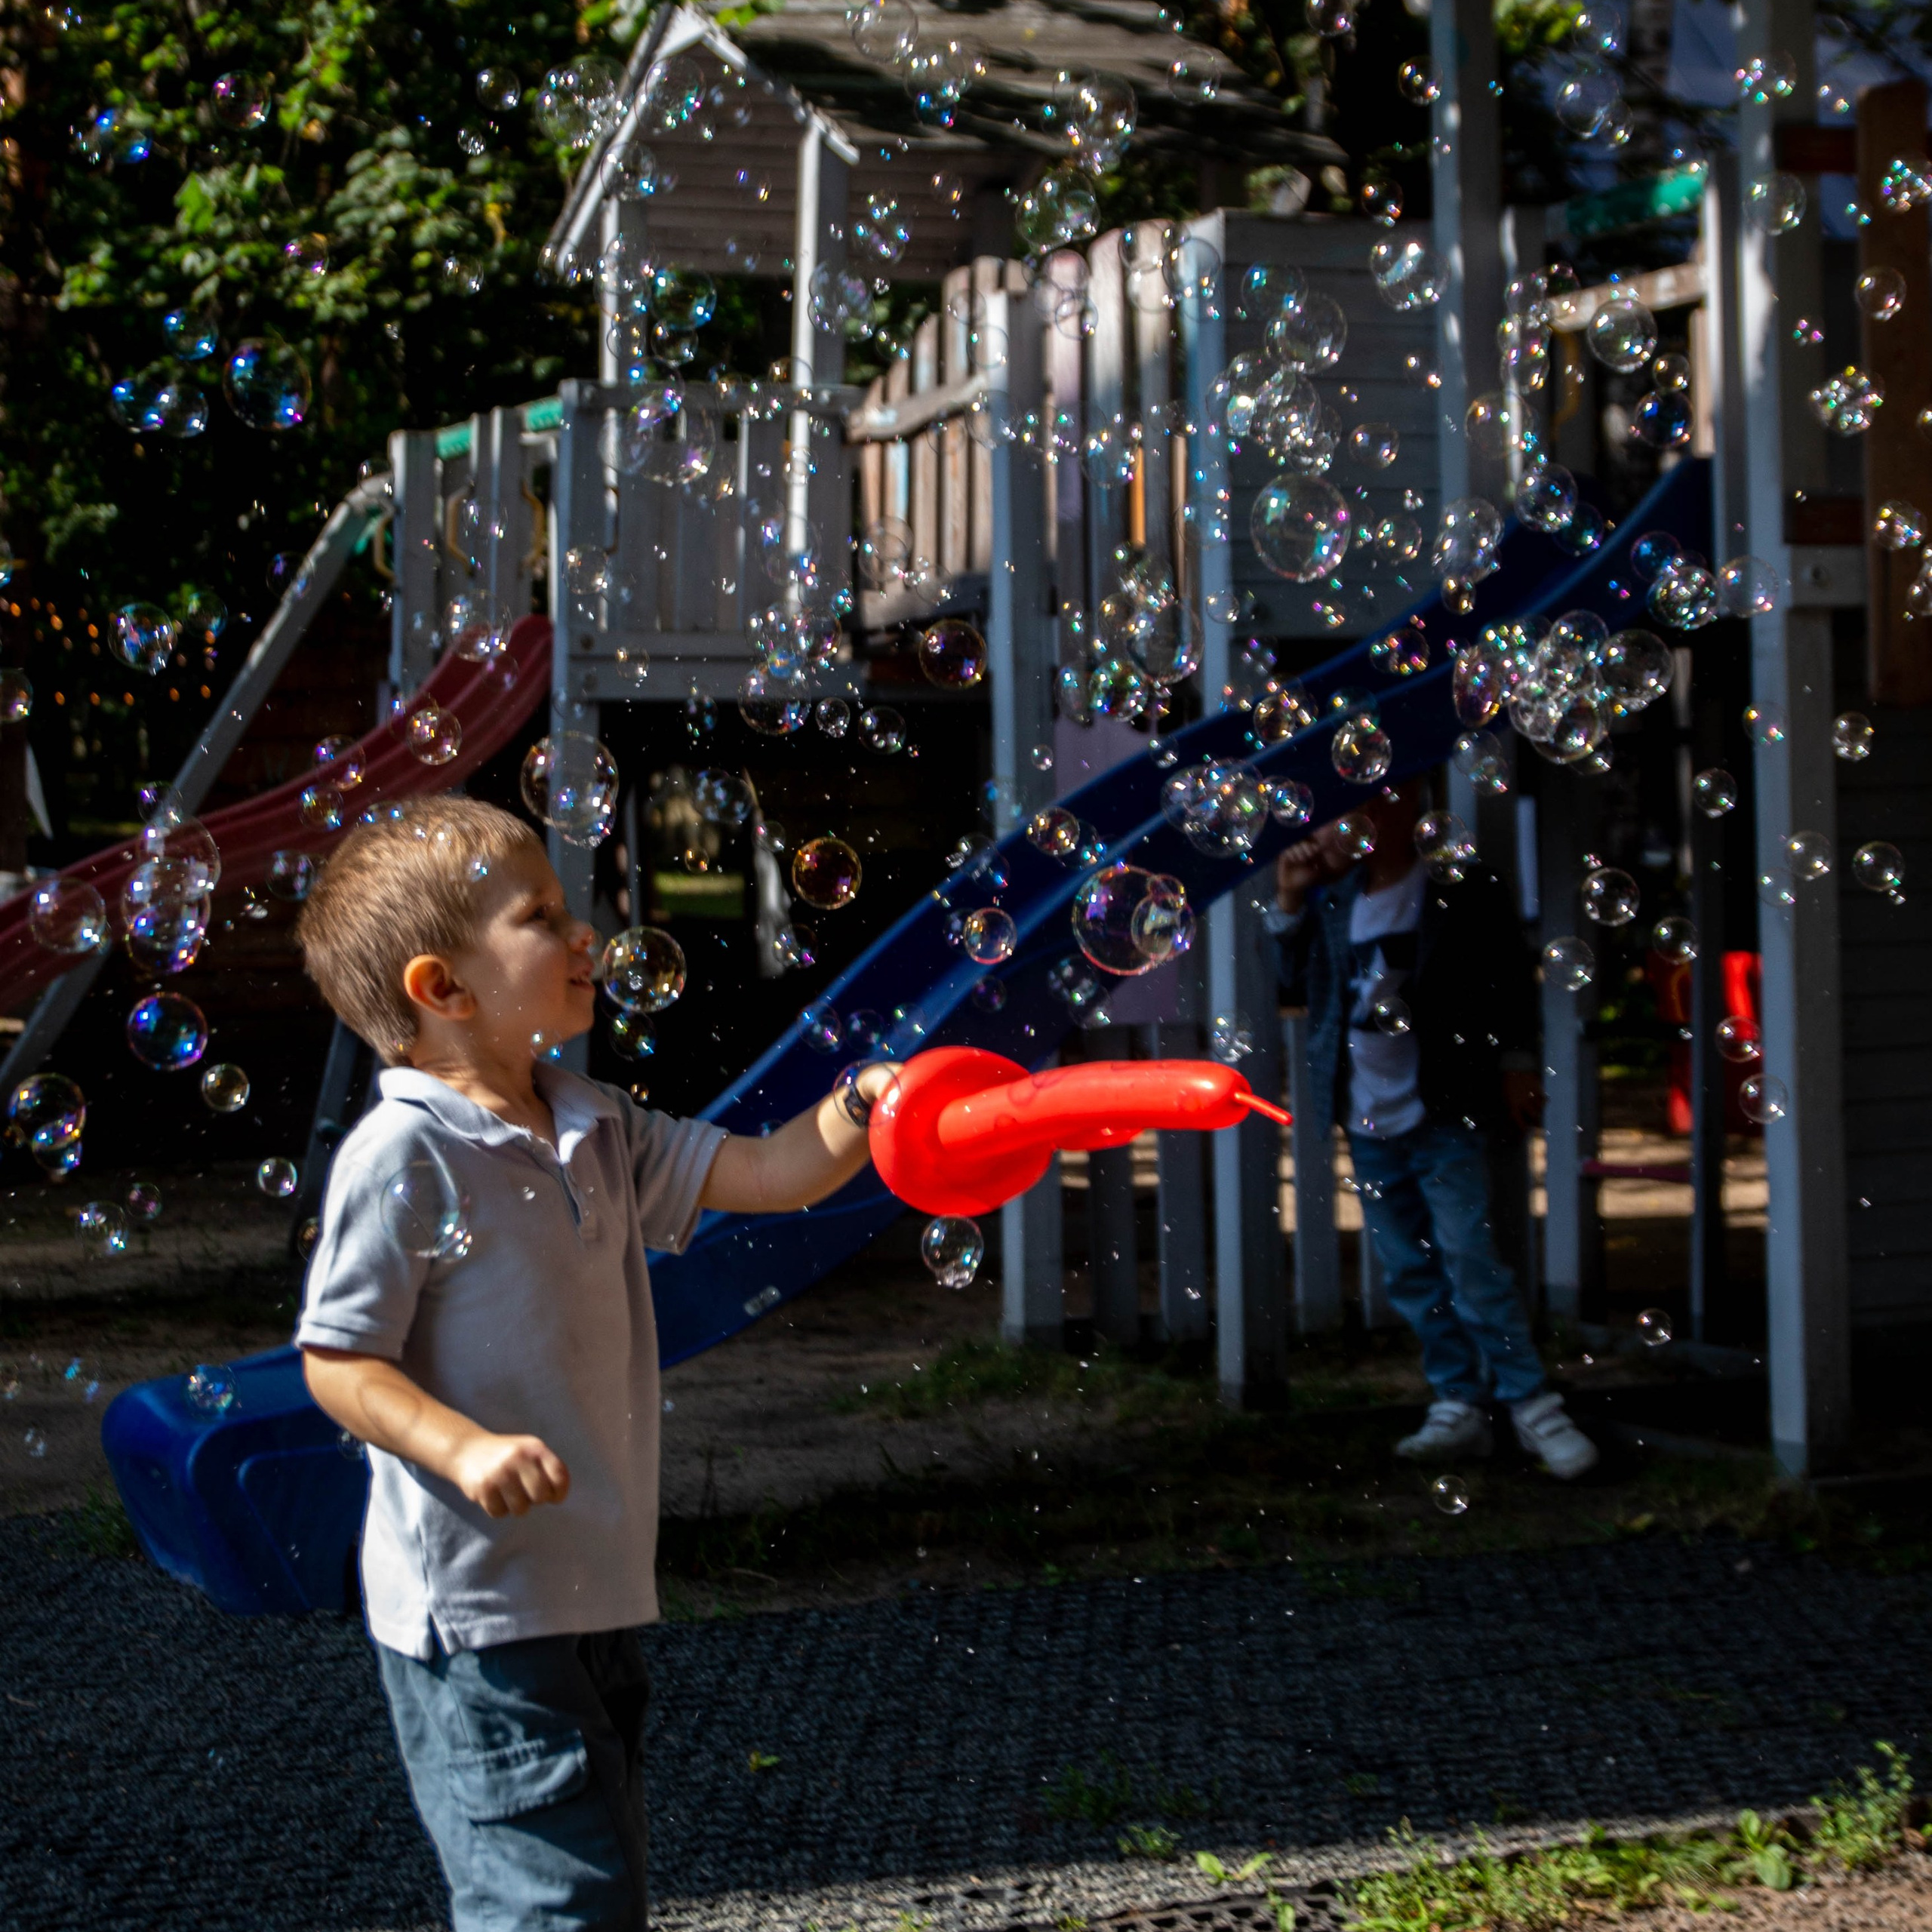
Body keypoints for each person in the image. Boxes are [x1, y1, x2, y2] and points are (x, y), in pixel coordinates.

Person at [292, 795, 896, 1931]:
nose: (590, 936)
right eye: (543, 915)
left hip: (594, 1584)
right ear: (444, 988)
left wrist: (861, 1104)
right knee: (558, 1907)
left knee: (597, 1894)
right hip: (478, 1611)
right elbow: (339, 1364)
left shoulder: (596, 1122)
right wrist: (460, 1447)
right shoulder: (404, 1154)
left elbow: (769, 1172)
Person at [1269, 777, 1598, 1480]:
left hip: (1445, 1107)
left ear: (1399, 803)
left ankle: (1531, 1402)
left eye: (1343, 811)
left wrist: (1516, 1063)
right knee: (1410, 1270)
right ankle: (1460, 1402)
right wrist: (1290, 897)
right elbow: (1291, 982)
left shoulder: (1456, 885)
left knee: (1469, 1259)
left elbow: (1507, 980)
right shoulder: (1334, 900)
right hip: (1366, 1116)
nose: (1325, 830)